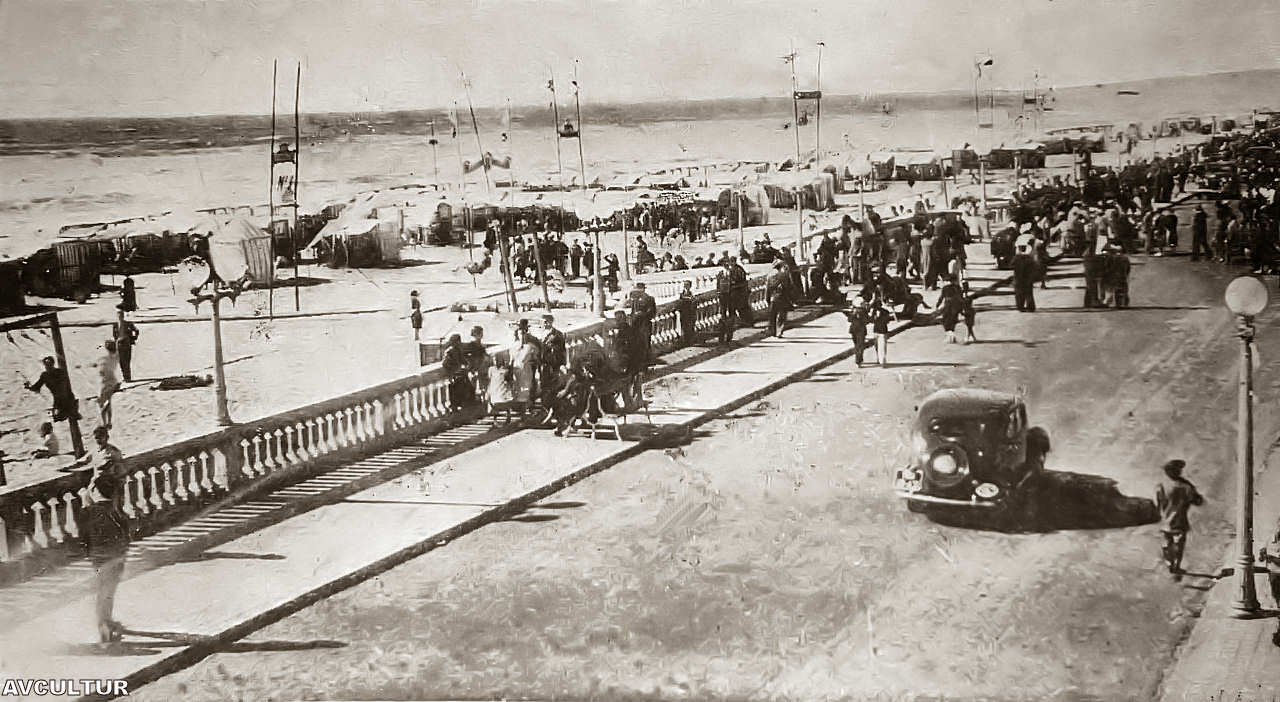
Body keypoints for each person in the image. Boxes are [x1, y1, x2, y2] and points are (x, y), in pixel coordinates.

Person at [64, 426, 128, 642]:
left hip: (100, 555)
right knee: (106, 590)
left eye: (101, 437)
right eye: (96, 437)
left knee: (104, 591)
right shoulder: (108, 509)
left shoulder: (112, 454)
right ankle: (105, 626)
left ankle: (105, 624)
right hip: (108, 555)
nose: (98, 440)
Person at [1156, 459, 1203, 580]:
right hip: (1179, 522)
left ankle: (1169, 564)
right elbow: (1197, 501)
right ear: (1178, 471)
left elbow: (1159, 504)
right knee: (1178, 545)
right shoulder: (1186, 486)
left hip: (1165, 522)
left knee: (1166, 545)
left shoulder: (1161, 486)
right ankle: (1176, 567)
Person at [26, 356, 80, 423]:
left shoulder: (47, 375)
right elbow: (37, 387)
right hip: (65, 399)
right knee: (62, 418)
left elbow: (36, 387)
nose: (47, 367)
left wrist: (29, 387)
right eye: (46, 365)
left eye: (48, 365)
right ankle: (71, 414)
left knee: (61, 418)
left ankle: (70, 414)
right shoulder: (57, 372)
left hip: (63, 400)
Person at [627, 283, 657, 369]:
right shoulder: (634, 299)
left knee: (644, 344)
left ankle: (644, 364)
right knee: (638, 345)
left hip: (643, 325)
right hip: (637, 325)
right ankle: (640, 364)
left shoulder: (648, 299)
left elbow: (651, 313)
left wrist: (640, 315)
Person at [1259, 524, 1280, 645]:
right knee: (1277, 599)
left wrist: (1270, 557)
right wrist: (1262, 554)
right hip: (1274, 574)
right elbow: (1262, 557)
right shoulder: (1271, 538)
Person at [440, 334, 472, 408]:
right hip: (453, 374)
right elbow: (445, 363)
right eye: (458, 341)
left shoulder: (458, 350)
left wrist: (467, 364)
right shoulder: (449, 351)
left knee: (462, 388)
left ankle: (460, 403)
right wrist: (453, 370)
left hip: (459, 374)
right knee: (454, 390)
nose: (459, 343)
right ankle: (455, 405)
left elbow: (463, 360)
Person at [765, 260, 792, 337]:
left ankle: (772, 331)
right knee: (782, 315)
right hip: (783, 297)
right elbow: (789, 287)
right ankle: (779, 330)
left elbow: (767, 289)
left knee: (772, 315)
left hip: (773, 298)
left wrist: (767, 299)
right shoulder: (784, 276)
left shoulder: (770, 277)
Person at [112, 308, 140, 383]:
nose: (119, 317)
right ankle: (125, 377)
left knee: (127, 360)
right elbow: (114, 335)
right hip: (119, 344)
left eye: (121, 316)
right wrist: (116, 341)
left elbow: (136, 330)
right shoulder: (115, 325)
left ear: (123, 316)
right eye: (118, 316)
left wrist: (133, 338)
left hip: (126, 343)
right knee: (121, 361)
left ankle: (128, 378)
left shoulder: (128, 323)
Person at [97, 340, 121, 429]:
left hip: (107, 383)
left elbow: (102, 371)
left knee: (104, 404)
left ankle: (105, 423)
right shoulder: (114, 357)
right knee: (107, 403)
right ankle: (108, 422)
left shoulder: (107, 359)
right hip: (112, 382)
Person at [1011, 245, 1038, 312]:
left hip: (1018, 278)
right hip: (1027, 278)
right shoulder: (1029, 258)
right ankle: (1030, 307)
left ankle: (1020, 307)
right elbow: (1034, 267)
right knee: (1029, 293)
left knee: (1019, 293)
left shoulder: (1016, 258)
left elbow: (1011, 264)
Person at [715, 259, 735, 344]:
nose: (726, 265)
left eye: (727, 263)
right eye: (725, 264)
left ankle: (729, 336)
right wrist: (719, 292)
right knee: (722, 315)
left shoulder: (732, 273)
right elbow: (718, 285)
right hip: (723, 296)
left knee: (731, 315)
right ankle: (722, 336)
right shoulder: (720, 273)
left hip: (731, 296)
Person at [845, 301, 870, 367]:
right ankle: (859, 360)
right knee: (860, 345)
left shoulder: (853, 311)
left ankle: (858, 359)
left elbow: (849, 320)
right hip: (861, 330)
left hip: (853, 330)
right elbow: (867, 321)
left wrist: (853, 314)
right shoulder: (864, 311)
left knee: (856, 345)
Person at [870, 301, 893, 367]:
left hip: (879, 331)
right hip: (880, 330)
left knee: (880, 346)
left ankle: (882, 360)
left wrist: (877, 319)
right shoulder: (879, 311)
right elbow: (887, 321)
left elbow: (872, 320)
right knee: (879, 346)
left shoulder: (883, 312)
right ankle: (880, 359)